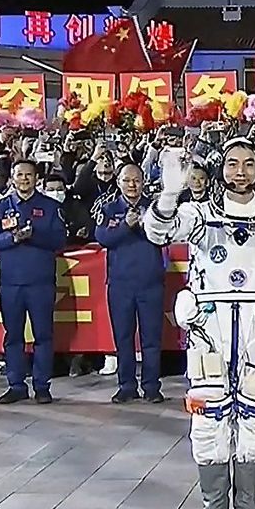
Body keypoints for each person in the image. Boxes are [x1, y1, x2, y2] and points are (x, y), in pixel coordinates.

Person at [144, 137, 255, 509]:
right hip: (210, 329)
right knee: (208, 416)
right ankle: (214, 508)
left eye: (248, 164)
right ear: (222, 169)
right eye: (232, 164)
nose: (240, 172)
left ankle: (248, 507)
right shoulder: (200, 215)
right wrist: (168, 192)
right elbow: (157, 232)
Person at [0, 160, 67, 405]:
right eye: (19, 174)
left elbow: (60, 239)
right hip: (11, 283)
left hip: (40, 282)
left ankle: (42, 386)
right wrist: (13, 237)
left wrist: (34, 236)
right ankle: (16, 385)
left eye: (29, 175)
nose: (24, 179)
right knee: (13, 336)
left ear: (36, 178)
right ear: (12, 178)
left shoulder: (51, 207)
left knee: (43, 335)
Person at [95, 163, 166, 404]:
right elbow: (103, 238)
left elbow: (166, 235)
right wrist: (126, 225)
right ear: (119, 182)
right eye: (127, 180)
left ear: (144, 181)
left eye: (136, 180)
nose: (132, 185)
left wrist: (147, 224)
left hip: (150, 282)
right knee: (123, 337)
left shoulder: (156, 208)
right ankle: (126, 385)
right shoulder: (109, 208)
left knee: (151, 338)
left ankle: (152, 386)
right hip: (120, 284)